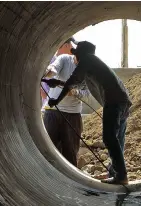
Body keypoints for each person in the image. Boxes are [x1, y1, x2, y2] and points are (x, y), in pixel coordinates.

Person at [47, 41, 132, 185]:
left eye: (76, 54)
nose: (75, 58)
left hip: (113, 102)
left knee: (109, 137)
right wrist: (58, 83)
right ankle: (116, 173)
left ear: (81, 54)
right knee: (116, 138)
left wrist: (56, 101)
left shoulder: (87, 60)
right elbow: (79, 84)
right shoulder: (94, 64)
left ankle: (121, 176)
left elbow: (72, 82)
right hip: (122, 101)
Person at [42, 37, 90, 167]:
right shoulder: (64, 59)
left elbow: (87, 94)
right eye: (77, 57)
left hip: (72, 115)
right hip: (52, 112)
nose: (79, 61)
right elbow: (54, 69)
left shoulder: (88, 70)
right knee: (49, 151)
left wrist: (75, 92)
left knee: (70, 153)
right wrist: (48, 73)